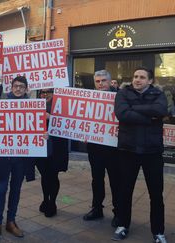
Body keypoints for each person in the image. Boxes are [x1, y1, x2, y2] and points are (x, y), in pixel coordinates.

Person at [112, 67, 167, 242]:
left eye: (142, 77)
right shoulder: (123, 93)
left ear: (150, 81)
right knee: (125, 191)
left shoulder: (159, 94)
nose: (137, 79)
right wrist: (149, 119)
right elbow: (122, 114)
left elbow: (160, 111)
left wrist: (134, 109)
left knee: (156, 194)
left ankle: (158, 232)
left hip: (152, 151)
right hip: (128, 150)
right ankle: (122, 225)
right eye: (135, 76)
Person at [0, 76, 35, 241]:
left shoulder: (32, 106)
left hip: (21, 158)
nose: (18, 89)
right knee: (0, 190)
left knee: (16, 190)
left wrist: (41, 133)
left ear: (26, 89)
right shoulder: (1, 101)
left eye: (22, 86)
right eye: (16, 86)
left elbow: (36, 127)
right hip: (3, 156)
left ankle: (11, 221)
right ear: (11, 87)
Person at [83, 70, 120, 227]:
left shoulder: (120, 97)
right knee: (96, 180)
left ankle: (118, 213)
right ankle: (97, 208)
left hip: (114, 148)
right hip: (95, 147)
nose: (100, 84)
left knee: (116, 181)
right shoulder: (88, 98)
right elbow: (82, 117)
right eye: (97, 81)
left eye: (103, 80)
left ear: (110, 81)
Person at [35, 89, 69, 218]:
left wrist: (51, 118)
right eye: (42, 93)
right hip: (41, 147)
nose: (45, 95)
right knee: (44, 174)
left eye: (48, 92)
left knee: (53, 175)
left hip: (56, 147)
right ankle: (45, 199)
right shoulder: (36, 104)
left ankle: (52, 202)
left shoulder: (62, 105)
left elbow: (70, 123)